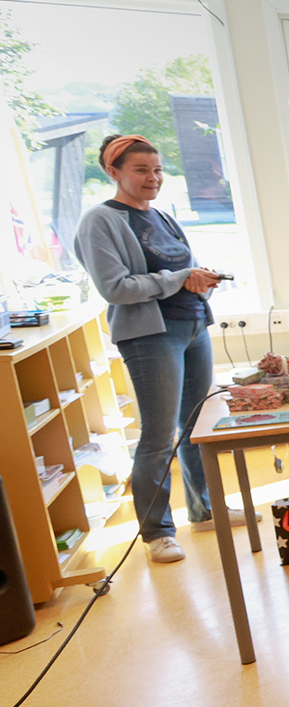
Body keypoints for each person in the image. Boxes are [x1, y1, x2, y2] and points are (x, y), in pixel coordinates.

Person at [72, 133, 249, 564]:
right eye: (140, 170)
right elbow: (115, 288)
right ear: (113, 172)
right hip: (152, 336)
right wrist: (179, 277)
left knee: (197, 426)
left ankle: (205, 508)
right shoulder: (101, 220)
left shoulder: (164, 217)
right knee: (157, 436)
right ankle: (157, 533)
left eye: (157, 170)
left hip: (192, 326)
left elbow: (178, 271)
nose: (153, 179)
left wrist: (198, 279)